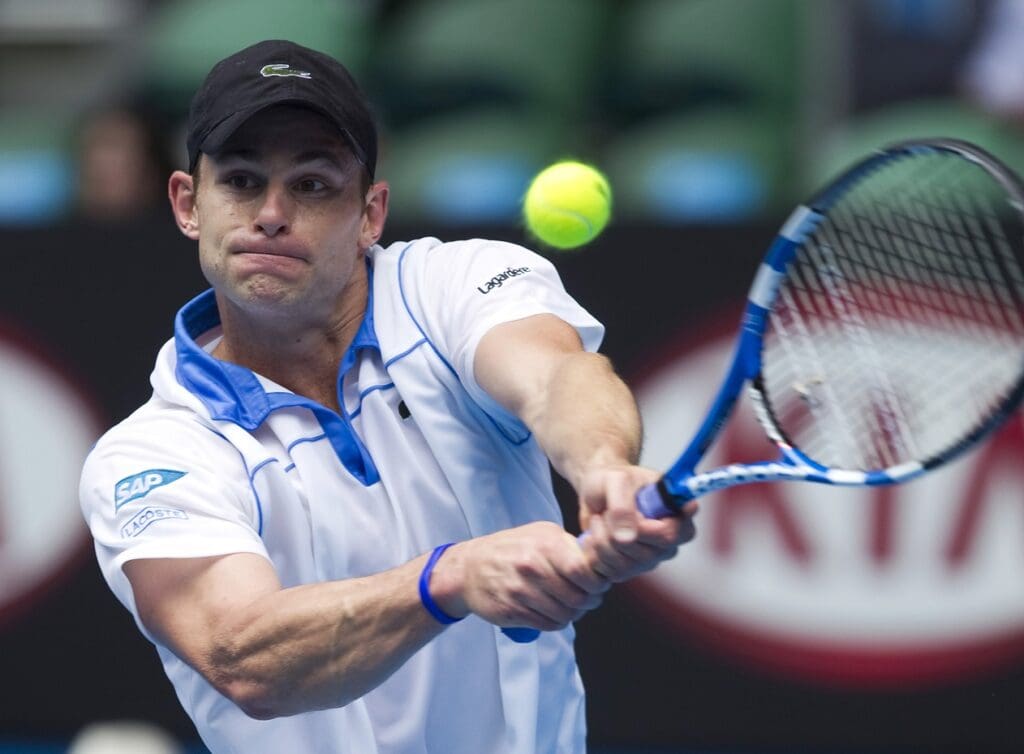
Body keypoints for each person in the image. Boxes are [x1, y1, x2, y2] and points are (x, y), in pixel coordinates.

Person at [79, 39, 696, 754]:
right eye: (242, 182)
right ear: (189, 203)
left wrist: (602, 469)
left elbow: (556, 374)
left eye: (312, 185)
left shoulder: (452, 285)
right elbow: (240, 652)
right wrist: (449, 578)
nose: (271, 213)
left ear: (371, 213)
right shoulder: (151, 453)